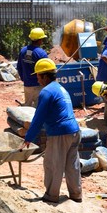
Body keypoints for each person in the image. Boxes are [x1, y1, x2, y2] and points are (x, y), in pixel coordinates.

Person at [20, 58, 82, 204]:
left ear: (45, 76)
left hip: (59, 133)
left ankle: (51, 196)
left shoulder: (46, 92)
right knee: (72, 165)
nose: (37, 79)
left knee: (53, 163)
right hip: (74, 131)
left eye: (38, 76)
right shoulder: (61, 89)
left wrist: (28, 137)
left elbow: (38, 117)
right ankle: (76, 194)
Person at [17, 27, 48, 107]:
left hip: (27, 85)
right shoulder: (41, 53)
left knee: (27, 109)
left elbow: (19, 66)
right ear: (40, 40)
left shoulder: (23, 51)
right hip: (38, 86)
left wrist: (24, 79)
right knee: (39, 109)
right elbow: (47, 70)